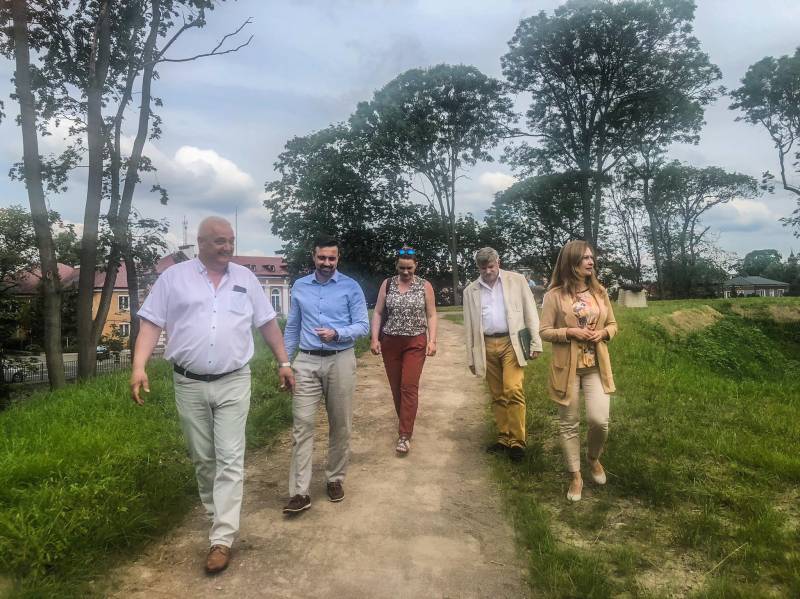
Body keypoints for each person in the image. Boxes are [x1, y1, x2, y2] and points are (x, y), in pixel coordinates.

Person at [130, 216, 294, 574]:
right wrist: (139, 366)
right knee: (203, 458)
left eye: (230, 240)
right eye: (220, 241)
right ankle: (216, 515)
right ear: (201, 243)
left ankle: (222, 538)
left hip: (234, 380)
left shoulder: (246, 279)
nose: (227, 247)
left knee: (230, 457)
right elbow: (151, 323)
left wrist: (284, 362)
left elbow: (267, 322)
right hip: (188, 383)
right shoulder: (173, 278)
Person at [282, 234, 369, 514]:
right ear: (314, 257)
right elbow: (293, 326)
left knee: (340, 424)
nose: (327, 263)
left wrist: (337, 333)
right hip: (306, 361)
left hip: (340, 359)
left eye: (332, 258)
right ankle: (300, 492)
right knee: (302, 425)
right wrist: (284, 363)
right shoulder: (300, 286)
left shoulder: (350, 287)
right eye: (322, 257)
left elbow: (363, 325)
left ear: (338, 258)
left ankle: (335, 479)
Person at [539, 240, 618, 502]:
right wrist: (569, 331)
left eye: (591, 257)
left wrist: (603, 333)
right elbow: (544, 331)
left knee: (599, 420)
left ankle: (593, 458)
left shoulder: (600, 292)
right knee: (569, 423)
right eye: (585, 258)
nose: (591, 261)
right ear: (571, 262)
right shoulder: (554, 296)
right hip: (567, 369)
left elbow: (613, 324)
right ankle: (575, 475)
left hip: (596, 366)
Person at [463, 247, 543, 462]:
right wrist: (471, 357)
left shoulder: (516, 281)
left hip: (511, 342)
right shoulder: (470, 291)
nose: (487, 271)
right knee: (497, 394)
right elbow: (469, 326)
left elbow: (530, 311)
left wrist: (536, 342)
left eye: (490, 266)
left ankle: (517, 442)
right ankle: (504, 437)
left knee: (513, 389)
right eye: (483, 268)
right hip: (486, 344)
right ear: (478, 267)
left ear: (498, 262)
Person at [370, 246, 438, 455]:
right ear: (396, 266)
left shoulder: (424, 285)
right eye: (402, 268)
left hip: (415, 342)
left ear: (416, 265)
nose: (406, 272)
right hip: (390, 342)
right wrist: (375, 339)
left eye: (409, 268)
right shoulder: (387, 284)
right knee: (396, 387)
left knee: (408, 386)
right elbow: (378, 312)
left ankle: (404, 434)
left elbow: (432, 314)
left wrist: (432, 340)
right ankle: (405, 422)